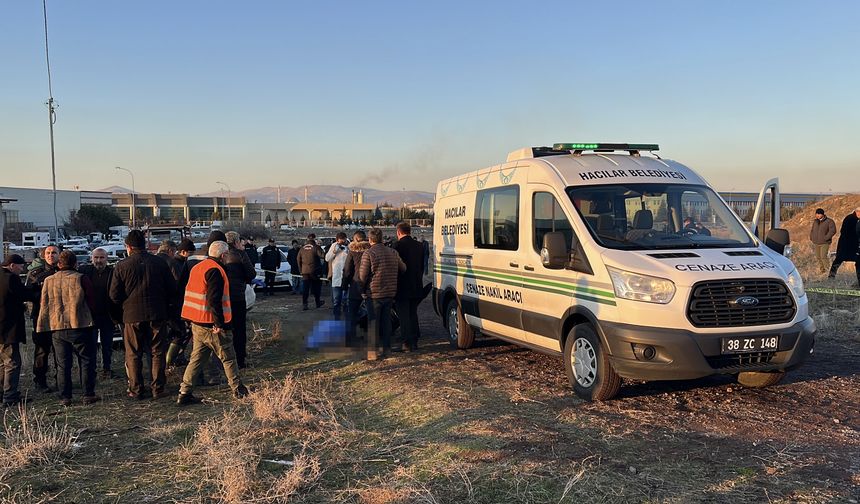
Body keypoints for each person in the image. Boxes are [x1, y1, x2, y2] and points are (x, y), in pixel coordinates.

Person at [176, 241, 248, 405]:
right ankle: (238, 389)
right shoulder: (215, 270)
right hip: (211, 323)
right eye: (227, 254)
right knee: (228, 357)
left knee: (197, 359)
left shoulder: (197, 267)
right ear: (223, 255)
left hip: (197, 321)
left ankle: (184, 392)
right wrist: (219, 323)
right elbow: (214, 299)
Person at [109, 230, 176, 400]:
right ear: (145, 244)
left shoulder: (122, 266)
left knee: (133, 353)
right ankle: (158, 388)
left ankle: (136, 389)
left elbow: (114, 295)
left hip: (131, 316)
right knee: (157, 352)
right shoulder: (159, 263)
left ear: (128, 247)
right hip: (157, 313)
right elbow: (172, 289)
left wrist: (120, 313)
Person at [37, 251, 99, 406]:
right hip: (80, 324)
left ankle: (65, 397)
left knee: (63, 364)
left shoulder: (48, 280)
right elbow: (91, 300)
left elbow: (43, 304)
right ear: (75, 263)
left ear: (59, 264)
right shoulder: (81, 278)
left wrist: (43, 324)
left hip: (57, 326)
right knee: (86, 361)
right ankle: (88, 394)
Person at [358, 228, 405, 360]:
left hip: (373, 294)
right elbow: (403, 268)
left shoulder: (368, 253)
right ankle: (387, 349)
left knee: (373, 322)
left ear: (370, 239)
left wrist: (362, 291)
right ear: (382, 238)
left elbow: (362, 276)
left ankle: (372, 352)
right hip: (390, 292)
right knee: (386, 322)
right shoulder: (393, 252)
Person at [78, 248, 119, 378]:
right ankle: (92, 370)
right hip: (91, 315)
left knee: (107, 345)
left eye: (101, 258)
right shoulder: (85, 272)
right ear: (92, 258)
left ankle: (107, 369)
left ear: (106, 258)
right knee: (91, 345)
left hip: (107, 314)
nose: (99, 260)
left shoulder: (112, 273)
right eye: (96, 258)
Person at [0, 255, 34, 407]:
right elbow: (25, 294)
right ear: (12, 265)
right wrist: (35, 287)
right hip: (8, 328)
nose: (22, 270)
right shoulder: (10, 279)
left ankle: (3, 393)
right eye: (20, 267)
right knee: (13, 362)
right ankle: (10, 396)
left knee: (2, 363)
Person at [24, 245, 59, 391]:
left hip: (59, 316)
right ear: (44, 255)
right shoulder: (35, 274)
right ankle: (40, 380)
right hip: (41, 316)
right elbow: (28, 295)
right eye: (48, 253)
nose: (51, 255)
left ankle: (61, 380)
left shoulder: (64, 271)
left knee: (60, 351)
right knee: (41, 350)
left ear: (59, 255)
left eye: (54, 253)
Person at [224, 231, 256, 368]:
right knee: (239, 330)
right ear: (237, 242)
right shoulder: (239, 254)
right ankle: (240, 360)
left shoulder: (221, 254)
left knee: (225, 329)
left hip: (222, 297)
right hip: (237, 295)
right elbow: (251, 273)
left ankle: (225, 359)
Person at [393, 222, 424, 352]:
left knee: (403, 315)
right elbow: (422, 266)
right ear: (410, 231)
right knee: (413, 313)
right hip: (416, 284)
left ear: (398, 232)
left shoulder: (397, 246)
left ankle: (406, 342)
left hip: (402, 285)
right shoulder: (420, 246)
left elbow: (396, 268)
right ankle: (414, 339)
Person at [342, 230, 370, 346]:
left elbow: (347, 270)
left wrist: (345, 284)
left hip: (355, 285)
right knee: (372, 313)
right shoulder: (370, 251)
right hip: (369, 286)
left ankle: (350, 339)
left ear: (356, 239)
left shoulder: (352, 252)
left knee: (352, 314)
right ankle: (372, 338)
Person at [829, 208, 860, 285]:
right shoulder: (850, 219)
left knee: (857, 262)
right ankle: (831, 278)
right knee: (839, 259)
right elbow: (844, 232)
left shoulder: (854, 219)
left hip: (851, 245)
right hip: (846, 244)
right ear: (856, 212)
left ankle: (831, 277)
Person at [325, 232, 349, 320]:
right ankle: (337, 318)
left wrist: (346, 250)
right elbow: (327, 258)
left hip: (346, 277)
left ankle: (347, 319)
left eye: (344, 240)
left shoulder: (349, 246)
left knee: (346, 301)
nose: (343, 241)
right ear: (337, 240)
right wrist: (335, 251)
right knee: (336, 301)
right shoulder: (334, 246)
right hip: (337, 277)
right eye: (341, 240)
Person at [297, 234, 325, 311]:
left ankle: (305, 304)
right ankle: (317, 302)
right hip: (315, 271)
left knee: (306, 288)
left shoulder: (302, 248)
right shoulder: (316, 247)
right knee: (316, 287)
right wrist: (321, 248)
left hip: (305, 271)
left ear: (307, 239)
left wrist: (301, 270)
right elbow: (322, 256)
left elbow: (298, 259)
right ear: (314, 239)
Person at [810, 208, 837, 275]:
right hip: (816, 242)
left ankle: (828, 271)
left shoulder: (829, 221)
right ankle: (822, 271)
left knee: (823, 256)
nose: (817, 215)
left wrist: (826, 238)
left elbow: (833, 231)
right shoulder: (815, 221)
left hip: (825, 242)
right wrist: (811, 237)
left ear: (823, 214)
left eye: (819, 214)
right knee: (818, 257)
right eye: (816, 214)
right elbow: (812, 230)